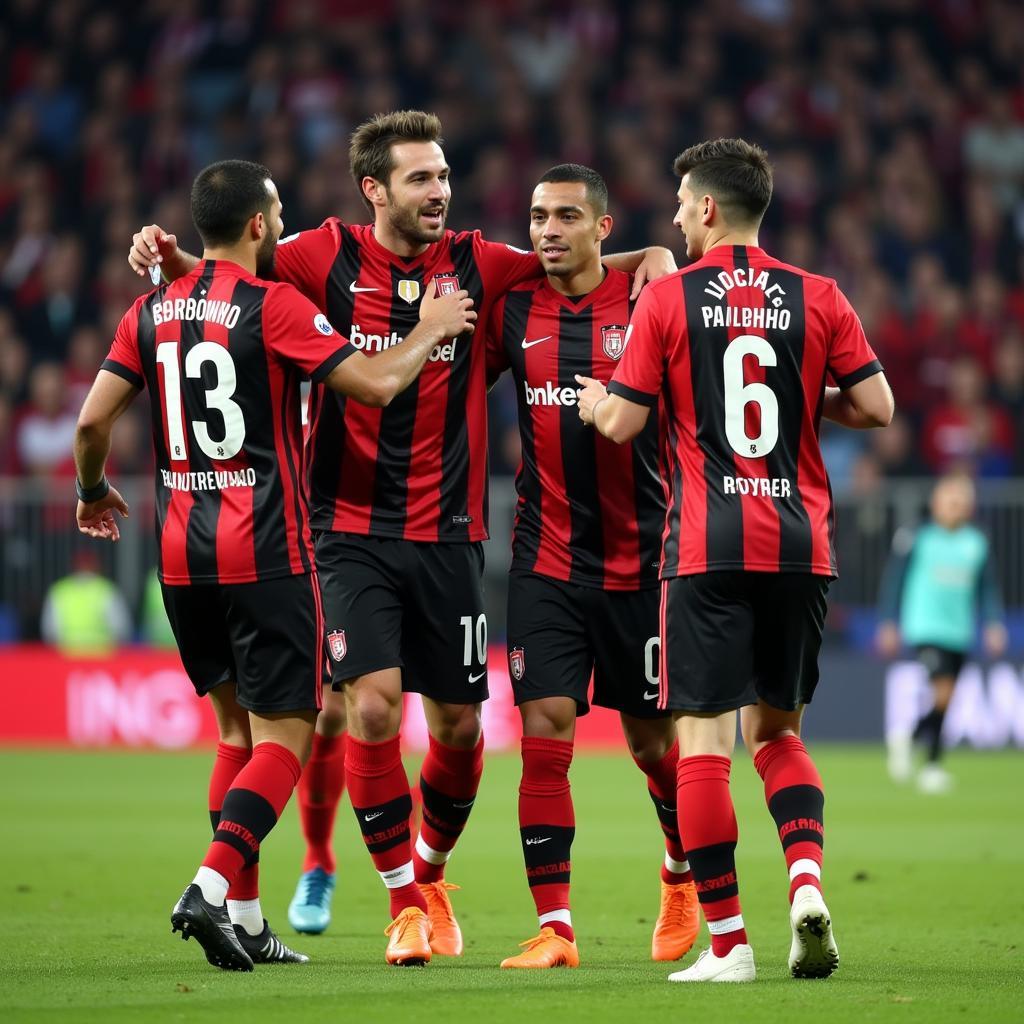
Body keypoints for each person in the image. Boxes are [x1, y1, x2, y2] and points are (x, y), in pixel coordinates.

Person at [127, 110, 674, 964]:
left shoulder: (480, 263)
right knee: (372, 706)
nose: (440, 193)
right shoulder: (317, 256)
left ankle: (431, 869)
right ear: (374, 189)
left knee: (457, 728)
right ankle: (403, 905)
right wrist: (175, 261)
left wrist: (663, 258)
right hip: (342, 529)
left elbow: (592, 264)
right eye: (421, 179)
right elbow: (232, 280)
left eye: (445, 176)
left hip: (451, 535)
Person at [77, 158, 476, 972]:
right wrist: (431, 331)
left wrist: (91, 492)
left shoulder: (148, 311)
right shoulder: (275, 307)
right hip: (267, 552)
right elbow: (370, 386)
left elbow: (91, 423)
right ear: (259, 225)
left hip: (182, 560)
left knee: (234, 733)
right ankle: (211, 886)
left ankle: (250, 920)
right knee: (287, 737)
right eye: (279, 214)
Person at [577, 138, 894, 982]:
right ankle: (804, 885)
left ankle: (728, 946)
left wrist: (592, 398)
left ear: (709, 208)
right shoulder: (818, 294)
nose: (677, 217)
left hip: (706, 546)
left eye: (683, 203)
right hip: (799, 543)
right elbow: (878, 404)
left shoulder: (672, 300)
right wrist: (800, 395)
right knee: (779, 732)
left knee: (704, 743)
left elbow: (622, 424)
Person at [486, 164, 698, 969]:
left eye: (567, 216)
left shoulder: (650, 302)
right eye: (538, 215)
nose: (548, 230)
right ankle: (557, 928)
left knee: (653, 747)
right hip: (544, 561)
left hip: (643, 564)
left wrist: (657, 258)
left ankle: (678, 874)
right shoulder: (511, 311)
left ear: (601, 229)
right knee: (545, 731)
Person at [877, 472, 1006, 792]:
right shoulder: (916, 537)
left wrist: (993, 623)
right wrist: (888, 622)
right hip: (925, 626)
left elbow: (987, 588)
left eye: (962, 502)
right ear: (936, 503)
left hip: (959, 629)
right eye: (951, 500)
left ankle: (917, 748)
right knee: (943, 691)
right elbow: (894, 580)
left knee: (946, 701)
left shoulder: (977, 543)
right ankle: (927, 760)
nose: (956, 507)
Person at [40, 549, 131, 655]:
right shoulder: (106, 590)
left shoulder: (60, 590)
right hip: (101, 657)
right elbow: (121, 629)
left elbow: (50, 630)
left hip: (67, 656)